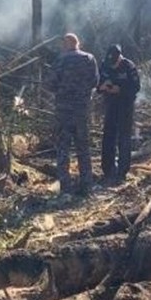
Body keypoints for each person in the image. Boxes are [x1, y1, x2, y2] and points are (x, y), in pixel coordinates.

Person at [47, 33, 99, 195]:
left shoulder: (61, 60)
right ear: (78, 43)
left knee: (63, 148)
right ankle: (87, 185)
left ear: (66, 44)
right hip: (82, 110)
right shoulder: (89, 59)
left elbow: (51, 84)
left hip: (63, 110)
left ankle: (66, 187)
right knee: (83, 147)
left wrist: (63, 91)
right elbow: (95, 82)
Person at [97, 44, 140, 183]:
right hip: (110, 104)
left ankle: (122, 171)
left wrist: (120, 89)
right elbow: (97, 84)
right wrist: (103, 87)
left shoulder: (129, 66)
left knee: (124, 137)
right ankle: (107, 169)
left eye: (115, 62)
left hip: (125, 105)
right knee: (108, 136)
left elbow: (135, 87)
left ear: (120, 57)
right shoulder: (104, 65)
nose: (113, 65)